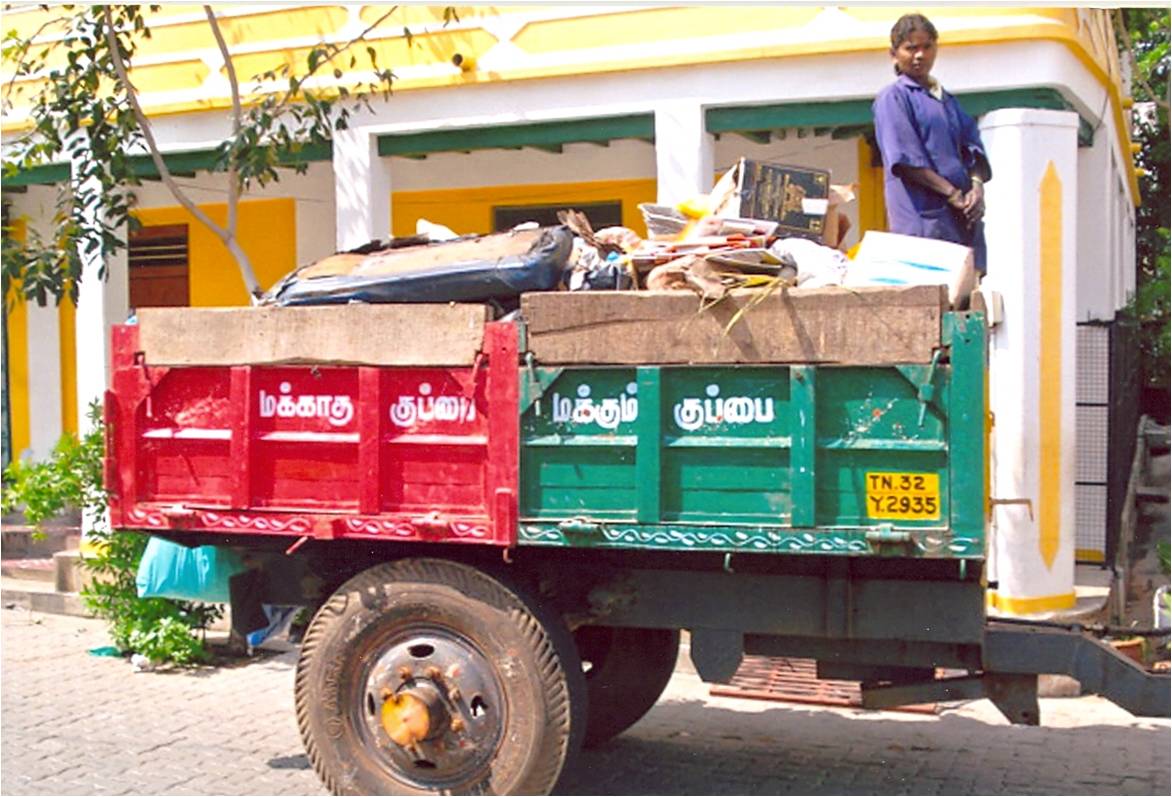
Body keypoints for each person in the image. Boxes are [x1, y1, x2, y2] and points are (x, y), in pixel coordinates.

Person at [872, 13, 992, 272]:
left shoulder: (947, 101)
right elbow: (906, 161)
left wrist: (976, 187)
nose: (920, 55)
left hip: (961, 220)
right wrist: (952, 193)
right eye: (911, 48)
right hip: (923, 222)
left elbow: (972, 148)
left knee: (967, 288)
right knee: (931, 288)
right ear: (893, 54)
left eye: (927, 47)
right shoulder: (893, 98)